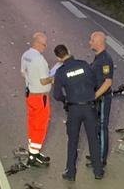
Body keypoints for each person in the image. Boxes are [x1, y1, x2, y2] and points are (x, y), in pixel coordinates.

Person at [51, 42, 103, 181]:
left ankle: (71, 173)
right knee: (93, 139)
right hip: (89, 107)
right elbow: (96, 81)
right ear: (69, 50)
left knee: (73, 141)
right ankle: (98, 171)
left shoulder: (61, 72)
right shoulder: (84, 64)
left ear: (58, 58)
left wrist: (65, 100)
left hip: (73, 109)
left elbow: (56, 95)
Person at [20, 30, 54, 165]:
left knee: (32, 123)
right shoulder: (40, 60)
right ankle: (34, 156)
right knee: (40, 125)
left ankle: (32, 151)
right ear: (38, 43)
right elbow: (44, 81)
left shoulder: (25, 55)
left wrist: (31, 79)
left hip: (30, 94)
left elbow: (23, 72)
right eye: (44, 45)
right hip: (41, 97)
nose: (45, 47)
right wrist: (54, 78)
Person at [88, 31, 116, 169]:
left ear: (98, 42)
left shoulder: (105, 59)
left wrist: (95, 96)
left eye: (91, 40)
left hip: (103, 98)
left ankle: (101, 159)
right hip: (97, 98)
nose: (89, 43)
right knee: (96, 126)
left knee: (102, 127)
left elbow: (107, 82)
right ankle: (97, 152)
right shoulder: (98, 57)